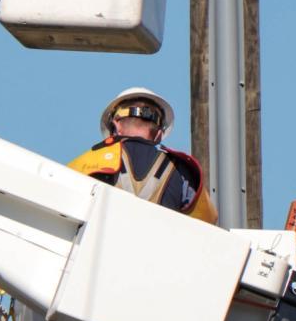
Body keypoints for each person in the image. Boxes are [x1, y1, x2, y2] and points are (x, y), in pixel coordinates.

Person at [67, 85, 215, 222]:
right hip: (163, 249)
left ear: (116, 125)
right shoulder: (182, 173)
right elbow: (207, 223)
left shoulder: (86, 163)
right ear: (158, 134)